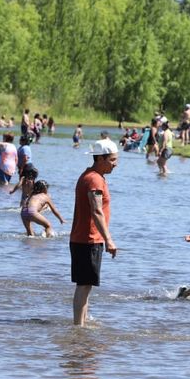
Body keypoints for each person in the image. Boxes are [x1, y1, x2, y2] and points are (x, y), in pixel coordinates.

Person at [70, 139, 118, 327]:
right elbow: (96, 211)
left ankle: (82, 324)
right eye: (112, 160)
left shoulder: (92, 176)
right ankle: (78, 327)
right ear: (100, 158)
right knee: (83, 285)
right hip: (87, 239)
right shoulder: (94, 179)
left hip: (86, 238)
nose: (115, 164)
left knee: (86, 285)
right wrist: (109, 240)